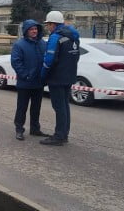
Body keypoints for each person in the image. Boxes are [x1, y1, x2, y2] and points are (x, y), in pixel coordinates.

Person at [39, 11, 81, 146]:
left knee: (59, 107)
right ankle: (64, 134)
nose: (47, 27)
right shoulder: (74, 36)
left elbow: (49, 60)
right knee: (64, 106)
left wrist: (43, 75)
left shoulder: (55, 37)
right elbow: (77, 56)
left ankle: (59, 136)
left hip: (56, 77)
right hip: (69, 76)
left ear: (53, 24)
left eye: (48, 25)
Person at [11, 19, 49, 141]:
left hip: (39, 82)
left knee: (36, 108)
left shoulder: (42, 43)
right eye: (32, 29)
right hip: (25, 83)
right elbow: (16, 62)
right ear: (26, 31)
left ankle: (35, 129)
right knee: (22, 107)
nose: (34, 31)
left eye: (36, 29)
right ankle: (19, 129)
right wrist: (25, 75)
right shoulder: (19, 44)